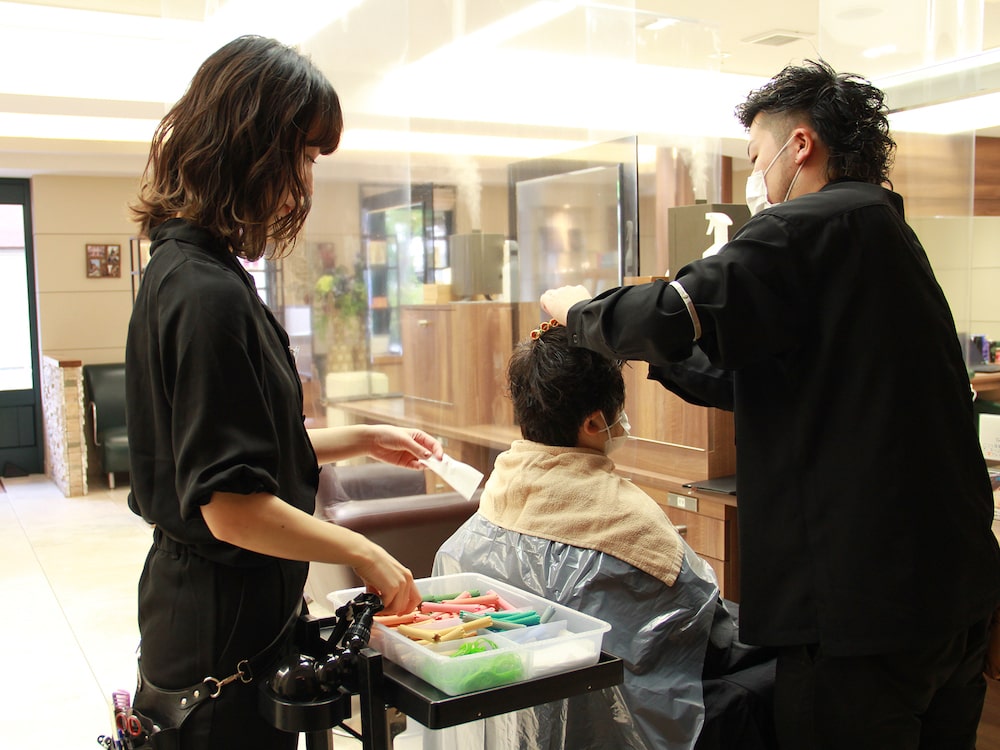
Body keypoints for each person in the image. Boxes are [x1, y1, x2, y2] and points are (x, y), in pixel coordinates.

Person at [540, 59, 1000, 750]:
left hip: (858, 620)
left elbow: (668, 313)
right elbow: (761, 382)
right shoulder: (884, 235)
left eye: (756, 157)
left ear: (800, 145)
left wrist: (581, 312)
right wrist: (658, 363)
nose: (756, 177)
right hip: (949, 609)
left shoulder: (804, 225)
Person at [125, 35, 440, 749]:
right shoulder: (205, 294)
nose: (303, 183)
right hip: (216, 636)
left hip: (213, 616)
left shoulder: (187, 270)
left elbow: (241, 446)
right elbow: (232, 507)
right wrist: (364, 551)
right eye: (302, 157)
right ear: (251, 149)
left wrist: (361, 438)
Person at [432, 321, 776, 750]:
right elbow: (713, 638)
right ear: (595, 422)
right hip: (621, 724)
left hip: (519, 723)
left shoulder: (495, 501)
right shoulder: (630, 521)